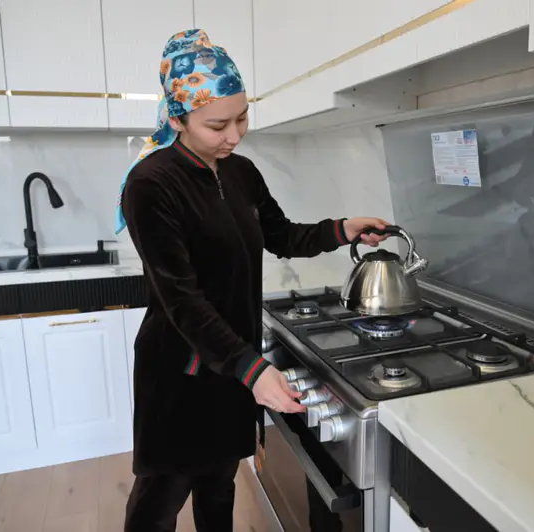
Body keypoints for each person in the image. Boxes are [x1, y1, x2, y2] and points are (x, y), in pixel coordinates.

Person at [114, 29, 389, 532]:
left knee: (219, 489)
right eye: (218, 125)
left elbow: (281, 234)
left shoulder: (239, 172)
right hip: (179, 375)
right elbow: (181, 299)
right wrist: (254, 371)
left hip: (232, 367)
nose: (235, 135)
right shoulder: (151, 185)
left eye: (242, 117)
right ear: (177, 118)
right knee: (159, 502)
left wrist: (342, 229)